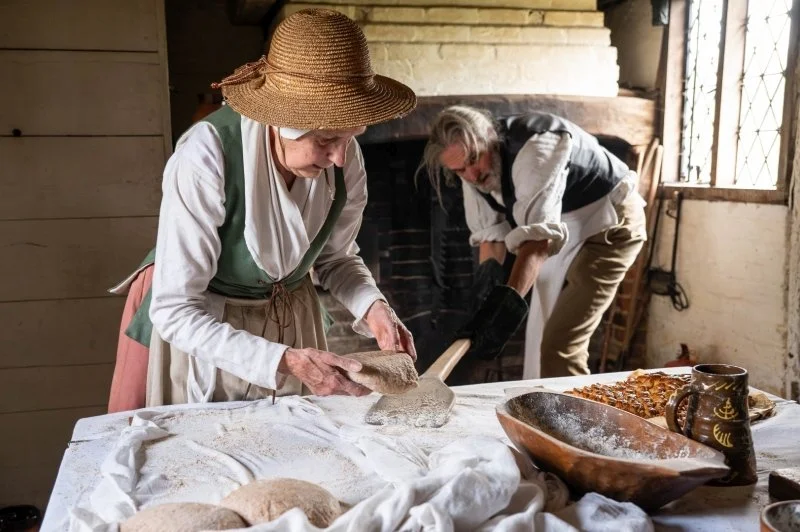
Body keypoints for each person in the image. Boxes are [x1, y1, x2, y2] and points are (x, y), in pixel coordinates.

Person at [107, 8, 418, 412]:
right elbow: (175, 309)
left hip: (289, 313)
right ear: (282, 122)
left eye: (350, 137)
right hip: (204, 321)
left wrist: (374, 307)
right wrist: (283, 360)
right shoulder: (207, 155)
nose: (340, 157)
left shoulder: (344, 157)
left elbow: (335, 256)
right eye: (326, 139)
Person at [418, 105, 646, 378]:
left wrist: (504, 308)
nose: (472, 175)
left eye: (475, 160)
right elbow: (492, 239)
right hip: (565, 224)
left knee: (560, 345)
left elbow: (536, 244)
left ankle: (579, 418)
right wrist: (483, 304)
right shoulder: (474, 169)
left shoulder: (535, 150)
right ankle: (546, 412)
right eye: (459, 170)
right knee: (539, 337)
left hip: (609, 225)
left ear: (489, 136)